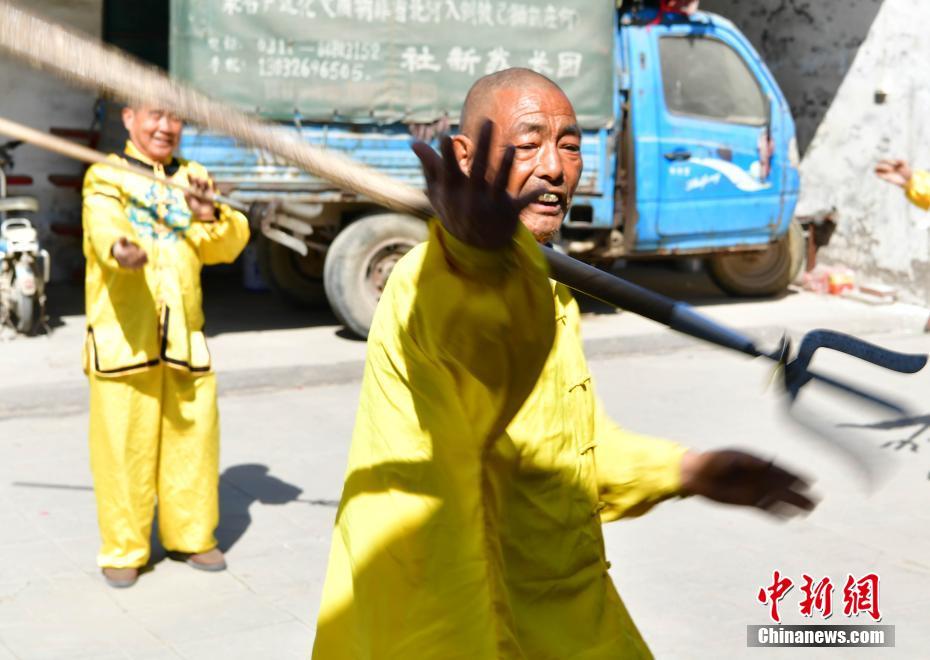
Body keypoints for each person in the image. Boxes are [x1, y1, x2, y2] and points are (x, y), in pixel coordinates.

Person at [312, 68, 814, 658]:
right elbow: (479, 343)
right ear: (465, 160)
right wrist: (474, 254)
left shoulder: (548, 288)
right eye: (527, 145)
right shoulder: (427, 280)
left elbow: (564, 455)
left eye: (570, 146)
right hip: (450, 622)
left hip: (559, 610)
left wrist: (688, 471)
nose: (553, 167)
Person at [81, 105, 249, 588]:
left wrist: (208, 212)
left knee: (193, 443)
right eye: (155, 115)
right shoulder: (106, 174)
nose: (165, 127)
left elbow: (224, 246)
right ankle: (124, 547)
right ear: (129, 117)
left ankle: (192, 536)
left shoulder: (194, 176)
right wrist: (121, 249)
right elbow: (103, 222)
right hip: (124, 341)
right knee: (122, 450)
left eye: (175, 118)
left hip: (184, 338)